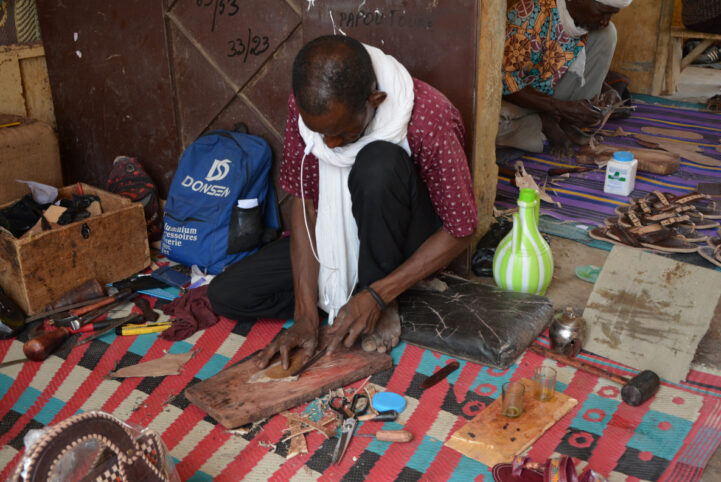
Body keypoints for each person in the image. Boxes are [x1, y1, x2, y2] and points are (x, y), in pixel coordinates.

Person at [207, 35, 478, 370]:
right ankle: (345, 301)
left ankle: (381, 295)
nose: (331, 146)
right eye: (320, 133)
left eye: (345, 134)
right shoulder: (308, 104)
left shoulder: (428, 117)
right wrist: (305, 315)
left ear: (375, 100)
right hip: (337, 230)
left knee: (377, 163)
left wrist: (379, 294)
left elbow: (461, 228)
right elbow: (303, 204)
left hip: (402, 235)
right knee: (228, 294)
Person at [496, 0, 632, 156]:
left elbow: (575, 67)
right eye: (602, 13)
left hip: (551, 93)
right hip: (516, 97)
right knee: (489, 127)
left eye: (611, 14)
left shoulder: (586, 20)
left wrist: (607, 90)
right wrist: (561, 108)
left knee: (607, 33)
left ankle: (568, 122)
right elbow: (505, 82)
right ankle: (545, 123)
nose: (605, 21)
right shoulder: (528, 19)